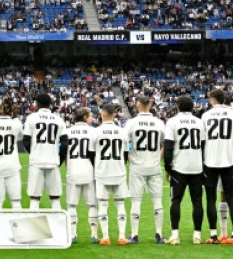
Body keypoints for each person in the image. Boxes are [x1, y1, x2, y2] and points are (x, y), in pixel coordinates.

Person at [201, 89, 233, 245]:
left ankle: (213, 236)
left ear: (212, 100)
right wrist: (232, 138)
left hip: (210, 162)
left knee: (211, 199)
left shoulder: (206, 115)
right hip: (228, 162)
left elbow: (202, 141)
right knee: (230, 198)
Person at [164, 95, 206, 245]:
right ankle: (197, 235)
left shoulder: (172, 122)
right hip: (196, 167)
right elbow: (203, 146)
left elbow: (168, 147)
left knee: (175, 200)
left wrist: (167, 168)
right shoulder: (199, 122)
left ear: (178, 107)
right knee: (197, 201)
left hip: (179, 167)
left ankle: (175, 235)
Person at [125, 95, 166, 244]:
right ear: (150, 105)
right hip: (154, 166)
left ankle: (134, 235)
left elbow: (124, 145)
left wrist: (131, 159)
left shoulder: (131, 123)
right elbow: (165, 144)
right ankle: (159, 235)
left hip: (137, 167)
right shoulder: (159, 123)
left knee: (136, 200)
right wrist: (158, 158)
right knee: (157, 200)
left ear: (137, 106)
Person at [92, 103, 129, 245]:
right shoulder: (122, 132)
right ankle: (122, 236)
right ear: (114, 115)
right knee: (120, 204)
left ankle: (106, 237)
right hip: (118, 171)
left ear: (102, 115)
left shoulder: (96, 132)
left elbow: (91, 153)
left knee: (103, 205)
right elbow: (125, 154)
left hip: (102, 172)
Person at [23, 93, 66, 211]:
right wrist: (60, 159)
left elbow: (26, 141)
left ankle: (34, 222)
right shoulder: (58, 119)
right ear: (50, 104)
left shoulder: (31, 118)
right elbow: (65, 144)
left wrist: (34, 152)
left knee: (34, 199)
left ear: (37, 104)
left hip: (36, 162)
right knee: (55, 199)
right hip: (53, 161)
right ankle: (58, 222)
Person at [63, 107, 98, 244]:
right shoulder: (94, 131)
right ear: (84, 117)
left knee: (72, 205)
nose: (92, 118)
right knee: (92, 205)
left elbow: (64, 152)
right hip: (89, 170)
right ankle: (94, 235)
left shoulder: (67, 131)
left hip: (73, 170)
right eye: (90, 116)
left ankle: (73, 235)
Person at [0, 99, 23, 210]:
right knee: (16, 202)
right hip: (12, 165)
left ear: (0, 110)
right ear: (12, 111)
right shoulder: (16, 124)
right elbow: (20, 137)